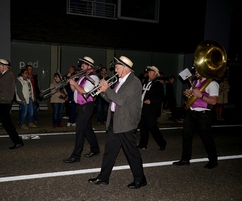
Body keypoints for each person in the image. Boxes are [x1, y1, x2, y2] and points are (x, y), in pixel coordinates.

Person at [88, 56, 147, 189]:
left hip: (126, 122)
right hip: (115, 120)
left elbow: (121, 101)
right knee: (109, 151)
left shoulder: (134, 82)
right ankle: (103, 178)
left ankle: (140, 179)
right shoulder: (120, 81)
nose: (114, 69)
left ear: (126, 68)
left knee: (131, 152)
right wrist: (102, 91)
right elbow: (112, 100)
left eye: (117, 67)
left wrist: (107, 89)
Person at [172, 70, 219, 169]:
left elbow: (214, 101)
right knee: (186, 136)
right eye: (196, 70)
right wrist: (188, 94)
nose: (196, 72)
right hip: (191, 113)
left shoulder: (212, 83)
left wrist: (201, 96)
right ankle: (185, 159)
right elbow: (190, 99)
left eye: (198, 70)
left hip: (204, 114)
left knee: (206, 138)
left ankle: (213, 160)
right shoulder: (194, 82)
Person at [63, 56, 100, 163]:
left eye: (83, 64)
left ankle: (76, 155)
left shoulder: (93, 78)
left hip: (86, 106)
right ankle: (95, 149)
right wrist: (72, 83)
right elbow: (75, 90)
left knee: (80, 131)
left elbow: (85, 92)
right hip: (80, 106)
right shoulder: (83, 76)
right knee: (87, 129)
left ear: (90, 66)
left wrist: (74, 83)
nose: (81, 66)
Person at [137, 66, 167, 150]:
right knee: (143, 127)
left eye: (151, 72)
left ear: (155, 74)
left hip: (152, 110)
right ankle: (143, 144)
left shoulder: (158, 84)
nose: (149, 73)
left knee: (152, 127)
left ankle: (162, 143)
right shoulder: (146, 82)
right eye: (148, 72)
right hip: (143, 108)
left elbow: (161, 97)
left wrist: (151, 101)